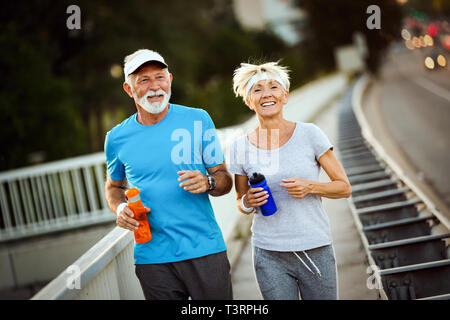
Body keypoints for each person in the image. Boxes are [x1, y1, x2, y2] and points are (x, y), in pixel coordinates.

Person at [104, 49, 233, 300]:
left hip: (204, 249)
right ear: (129, 89)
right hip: (152, 258)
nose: (155, 87)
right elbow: (113, 188)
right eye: (144, 80)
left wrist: (207, 182)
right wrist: (120, 209)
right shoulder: (116, 138)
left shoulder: (198, 119)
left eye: (160, 77)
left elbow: (224, 179)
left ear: (170, 80)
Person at [228, 61, 352, 300]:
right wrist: (249, 201)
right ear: (248, 100)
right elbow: (240, 202)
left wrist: (310, 187)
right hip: (269, 253)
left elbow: (344, 188)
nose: (266, 94)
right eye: (257, 90)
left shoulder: (310, 134)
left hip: (315, 246)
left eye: (273, 87)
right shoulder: (239, 147)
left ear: (285, 96)